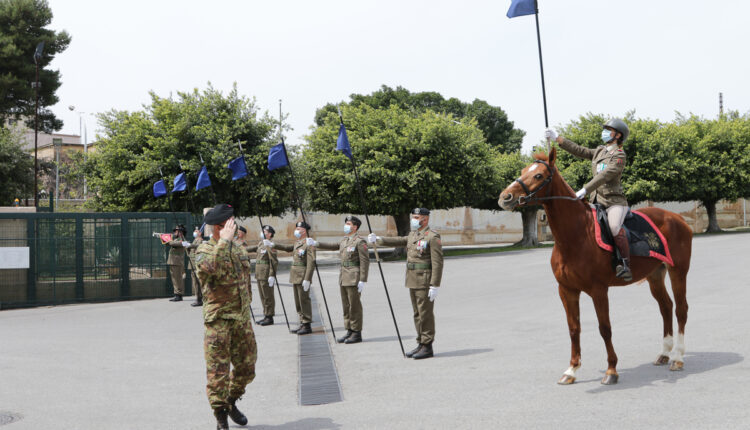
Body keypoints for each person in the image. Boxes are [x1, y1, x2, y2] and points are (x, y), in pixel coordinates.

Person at [545, 119, 633, 281]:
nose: (604, 132)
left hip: (613, 202)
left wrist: (585, 189)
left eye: (608, 129)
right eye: (605, 129)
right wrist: (558, 138)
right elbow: (579, 150)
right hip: (596, 201)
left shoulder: (619, 155)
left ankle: (625, 263)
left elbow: (605, 175)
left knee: (614, 227)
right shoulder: (600, 151)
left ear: (618, 135)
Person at [195, 204, 257, 430]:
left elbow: (245, 282)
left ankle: (231, 401)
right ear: (218, 228)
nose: (234, 227)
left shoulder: (238, 249)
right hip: (218, 321)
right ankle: (220, 415)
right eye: (229, 224)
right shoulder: (204, 250)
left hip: (241, 319)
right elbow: (211, 268)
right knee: (218, 372)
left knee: (247, 368)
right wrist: (224, 241)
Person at [368, 208, 443, 359]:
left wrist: (434, 284)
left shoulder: (432, 237)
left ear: (425, 219)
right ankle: (421, 343)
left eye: (416, 217)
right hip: (412, 279)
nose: (413, 220)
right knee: (417, 314)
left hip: (424, 281)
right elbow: (400, 240)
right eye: (413, 217)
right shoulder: (413, 234)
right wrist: (379, 240)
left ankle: (427, 346)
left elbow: (438, 262)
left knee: (425, 314)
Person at [310, 216, 370, 344]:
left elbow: (365, 261)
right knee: (346, 305)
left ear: (355, 227)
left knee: (354, 306)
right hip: (343, 276)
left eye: (348, 224)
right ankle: (349, 330)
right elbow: (333, 246)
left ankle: (356, 332)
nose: (346, 226)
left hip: (354, 277)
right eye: (346, 224)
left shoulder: (360, 242)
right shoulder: (344, 240)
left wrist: (362, 279)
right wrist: (317, 243)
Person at [274, 221, 316, 335]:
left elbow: (311, 263)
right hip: (295, 276)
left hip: (303, 276)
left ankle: (307, 324)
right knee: (298, 301)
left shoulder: (309, 243)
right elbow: (288, 248)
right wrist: (274, 244)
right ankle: (302, 322)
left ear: (304, 231)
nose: (296, 230)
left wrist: (307, 279)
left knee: (304, 300)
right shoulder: (297, 243)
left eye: (298, 228)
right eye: (296, 228)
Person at [245, 225, 278, 326]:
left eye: (265, 231)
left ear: (270, 234)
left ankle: (270, 316)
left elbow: (274, 261)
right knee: (263, 296)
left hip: (266, 274)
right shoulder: (261, 244)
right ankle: (266, 315)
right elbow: (251, 248)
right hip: (259, 274)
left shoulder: (270, 245)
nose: (262, 232)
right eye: (262, 231)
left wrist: (272, 275)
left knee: (268, 296)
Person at [166, 224, 190, 302]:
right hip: (173, 261)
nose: (175, 232)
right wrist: (163, 238)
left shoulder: (183, 240)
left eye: (177, 231)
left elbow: (173, 243)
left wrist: (168, 240)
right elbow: (168, 243)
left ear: (180, 232)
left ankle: (179, 294)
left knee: (178, 279)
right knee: (174, 279)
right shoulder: (176, 239)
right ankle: (176, 294)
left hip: (177, 262)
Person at [188, 226, 204, 307]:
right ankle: (198, 298)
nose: (194, 232)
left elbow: (197, 248)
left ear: (200, 233)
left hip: (196, 264)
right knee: (195, 282)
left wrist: (189, 245)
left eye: (196, 231)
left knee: (198, 282)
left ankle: (200, 299)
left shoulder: (200, 240)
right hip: (192, 263)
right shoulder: (195, 240)